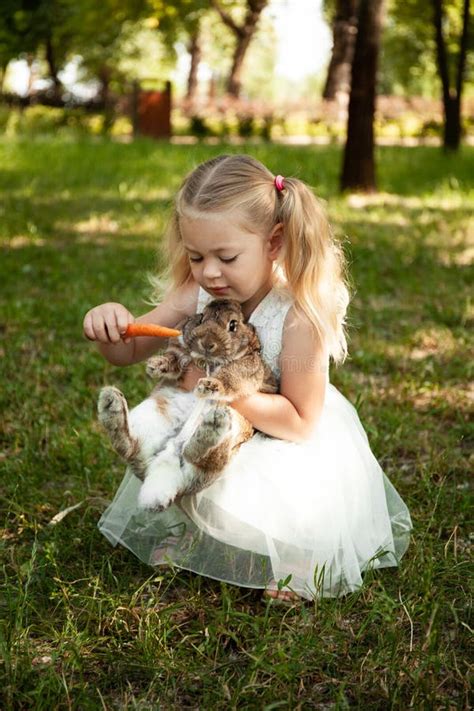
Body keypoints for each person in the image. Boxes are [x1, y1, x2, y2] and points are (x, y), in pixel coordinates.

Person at [83, 154, 412, 601]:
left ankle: (299, 558)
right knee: (186, 440)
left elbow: (299, 422)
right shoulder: (197, 291)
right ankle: (198, 536)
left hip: (283, 434)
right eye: (196, 255)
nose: (210, 272)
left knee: (272, 480)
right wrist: (110, 326)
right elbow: (129, 348)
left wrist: (222, 391)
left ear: (274, 242)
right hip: (221, 426)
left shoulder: (298, 316)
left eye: (227, 256)